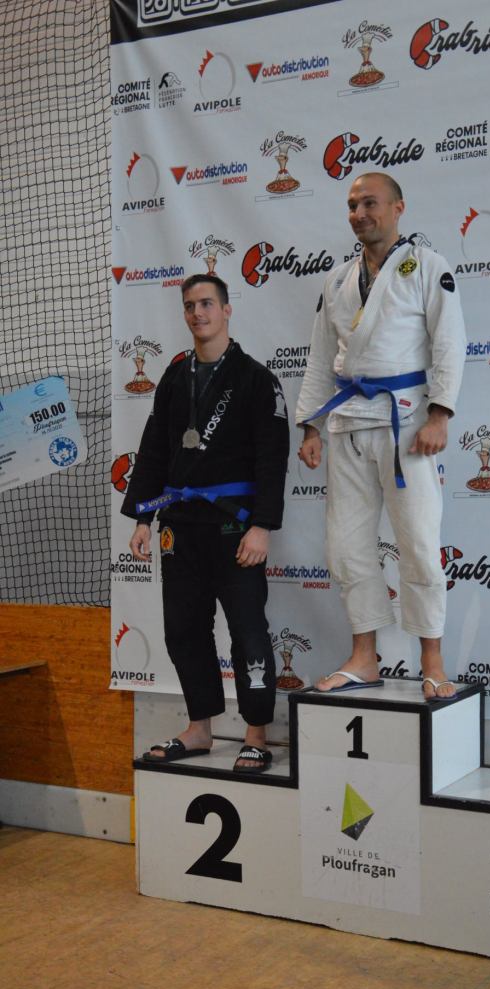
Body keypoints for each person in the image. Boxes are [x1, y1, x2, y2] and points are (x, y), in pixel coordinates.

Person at [295, 173, 466, 700]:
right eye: (352, 205)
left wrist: (440, 414)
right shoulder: (338, 279)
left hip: (406, 422)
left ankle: (432, 660)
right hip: (347, 422)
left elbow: (449, 342)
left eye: (370, 203)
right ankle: (364, 657)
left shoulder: (427, 266)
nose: (359, 213)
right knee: (346, 547)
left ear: (398, 207)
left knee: (418, 543)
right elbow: (322, 357)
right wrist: (310, 425)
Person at [123, 273, 289, 772]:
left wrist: (262, 526)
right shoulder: (175, 378)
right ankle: (199, 728)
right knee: (183, 630)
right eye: (190, 306)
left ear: (227, 309)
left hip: (235, 527)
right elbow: (155, 449)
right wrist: (143, 517)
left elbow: (272, 459)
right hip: (180, 524)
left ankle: (256, 733)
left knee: (247, 630)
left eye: (207, 304)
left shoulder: (257, 379)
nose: (198, 313)